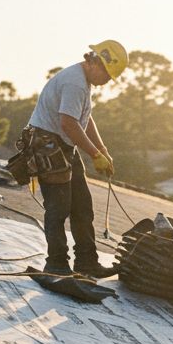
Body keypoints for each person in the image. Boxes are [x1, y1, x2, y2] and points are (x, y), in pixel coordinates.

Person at [25, 40, 127, 277]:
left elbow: (84, 118)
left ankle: (86, 262)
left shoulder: (85, 82)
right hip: (47, 144)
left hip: (63, 145)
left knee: (82, 206)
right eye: (108, 75)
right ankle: (57, 264)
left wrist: (101, 149)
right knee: (58, 208)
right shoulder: (75, 83)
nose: (108, 81)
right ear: (95, 62)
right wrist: (93, 155)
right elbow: (68, 123)